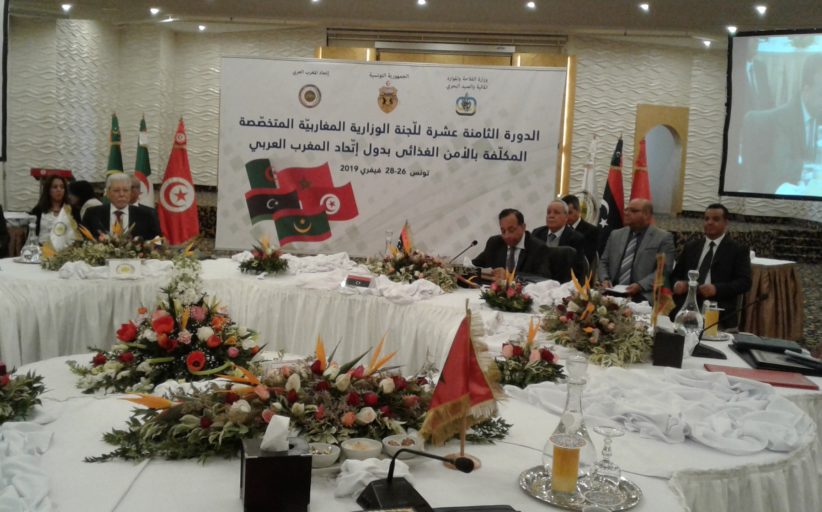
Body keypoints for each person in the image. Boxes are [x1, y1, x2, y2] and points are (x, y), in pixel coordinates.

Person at [740, 53, 822, 193]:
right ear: (806, 90)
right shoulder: (783, 119)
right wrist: (814, 169)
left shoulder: (817, 112)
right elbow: (783, 166)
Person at [670, 204, 752, 330]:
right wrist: (677, 285)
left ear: (726, 223)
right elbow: (675, 275)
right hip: (685, 306)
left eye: (715, 219)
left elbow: (745, 282)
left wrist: (716, 289)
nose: (710, 222)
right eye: (706, 219)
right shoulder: (692, 247)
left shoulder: (737, 249)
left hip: (718, 308)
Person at [598, 199, 675, 304]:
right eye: (626, 210)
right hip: (611, 291)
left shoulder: (663, 238)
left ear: (647, 215)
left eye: (633, 211)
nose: (627, 213)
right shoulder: (615, 234)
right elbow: (603, 262)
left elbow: (663, 271)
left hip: (642, 295)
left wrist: (640, 285)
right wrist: (605, 279)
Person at [472, 208, 569, 282]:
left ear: (523, 227)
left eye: (511, 230)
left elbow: (542, 278)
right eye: (503, 231)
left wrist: (509, 275)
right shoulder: (494, 243)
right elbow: (474, 266)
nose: (507, 235)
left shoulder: (538, 247)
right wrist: (464, 269)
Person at [82, 173, 161, 240]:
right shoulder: (92, 213)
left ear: (130, 192)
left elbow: (157, 242)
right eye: (116, 190)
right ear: (108, 193)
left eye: (126, 190)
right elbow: (84, 242)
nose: (122, 194)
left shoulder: (147, 215)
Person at [532, 199, 587, 279]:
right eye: (548, 212)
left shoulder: (576, 238)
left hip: (562, 282)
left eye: (556, 212)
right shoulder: (537, 233)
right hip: (537, 280)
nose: (551, 216)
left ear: (566, 217)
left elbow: (577, 271)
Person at [29, 174, 71, 244]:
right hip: (42, 247)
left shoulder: (72, 210)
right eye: (55, 187)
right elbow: (31, 233)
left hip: (66, 248)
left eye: (62, 187)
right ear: (48, 190)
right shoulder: (38, 210)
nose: (59, 190)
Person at [562, 194, 600, 267]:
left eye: (569, 212)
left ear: (579, 211)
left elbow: (587, 258)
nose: (566, 217)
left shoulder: (592, 231)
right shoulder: (561, 228)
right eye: (564, 213)